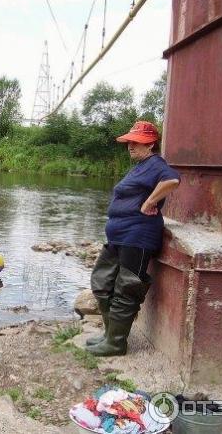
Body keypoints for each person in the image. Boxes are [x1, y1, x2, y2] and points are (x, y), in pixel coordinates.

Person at [85, 121, 180, 357]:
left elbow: (172, 180)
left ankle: (116, 343)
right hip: (119, 235)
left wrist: (150, 202)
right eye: (129, 142)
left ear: (150, 143)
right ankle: (109, 335)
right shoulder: (140, 165)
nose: (130, 147)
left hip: (137, 236)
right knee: (101, 281)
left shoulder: (156, 164)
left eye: (135, 142)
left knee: (126, 288)